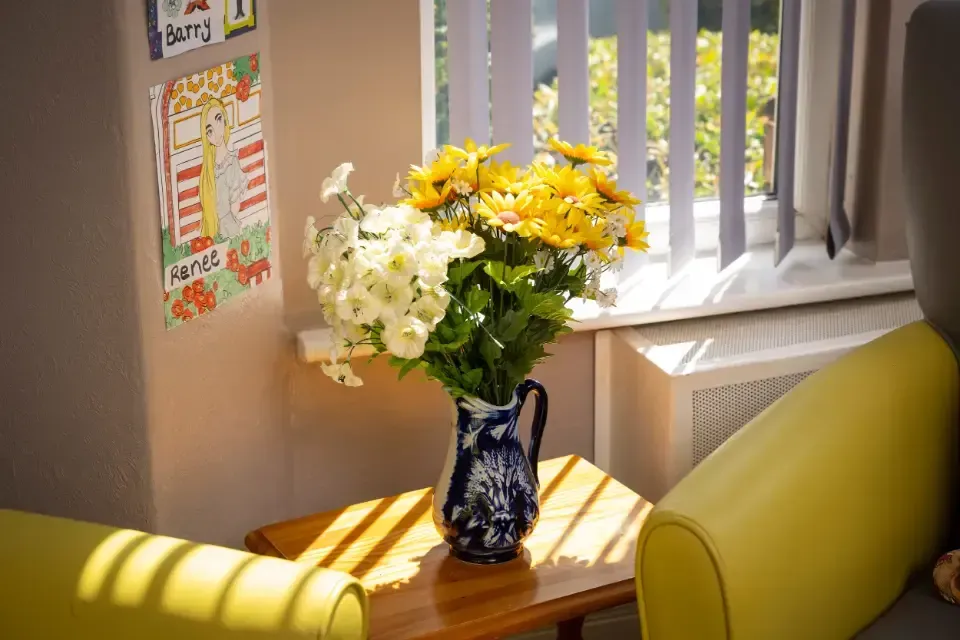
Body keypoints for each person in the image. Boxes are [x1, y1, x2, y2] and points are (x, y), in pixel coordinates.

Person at [199, 97, 246, 238]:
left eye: (219, 120)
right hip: (212, 230)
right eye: (209, 131)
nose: (216, 132)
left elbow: (235, 205)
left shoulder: (232, 162)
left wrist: (225, 231)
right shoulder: (208, 169)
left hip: (228, 229)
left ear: (225, 120)